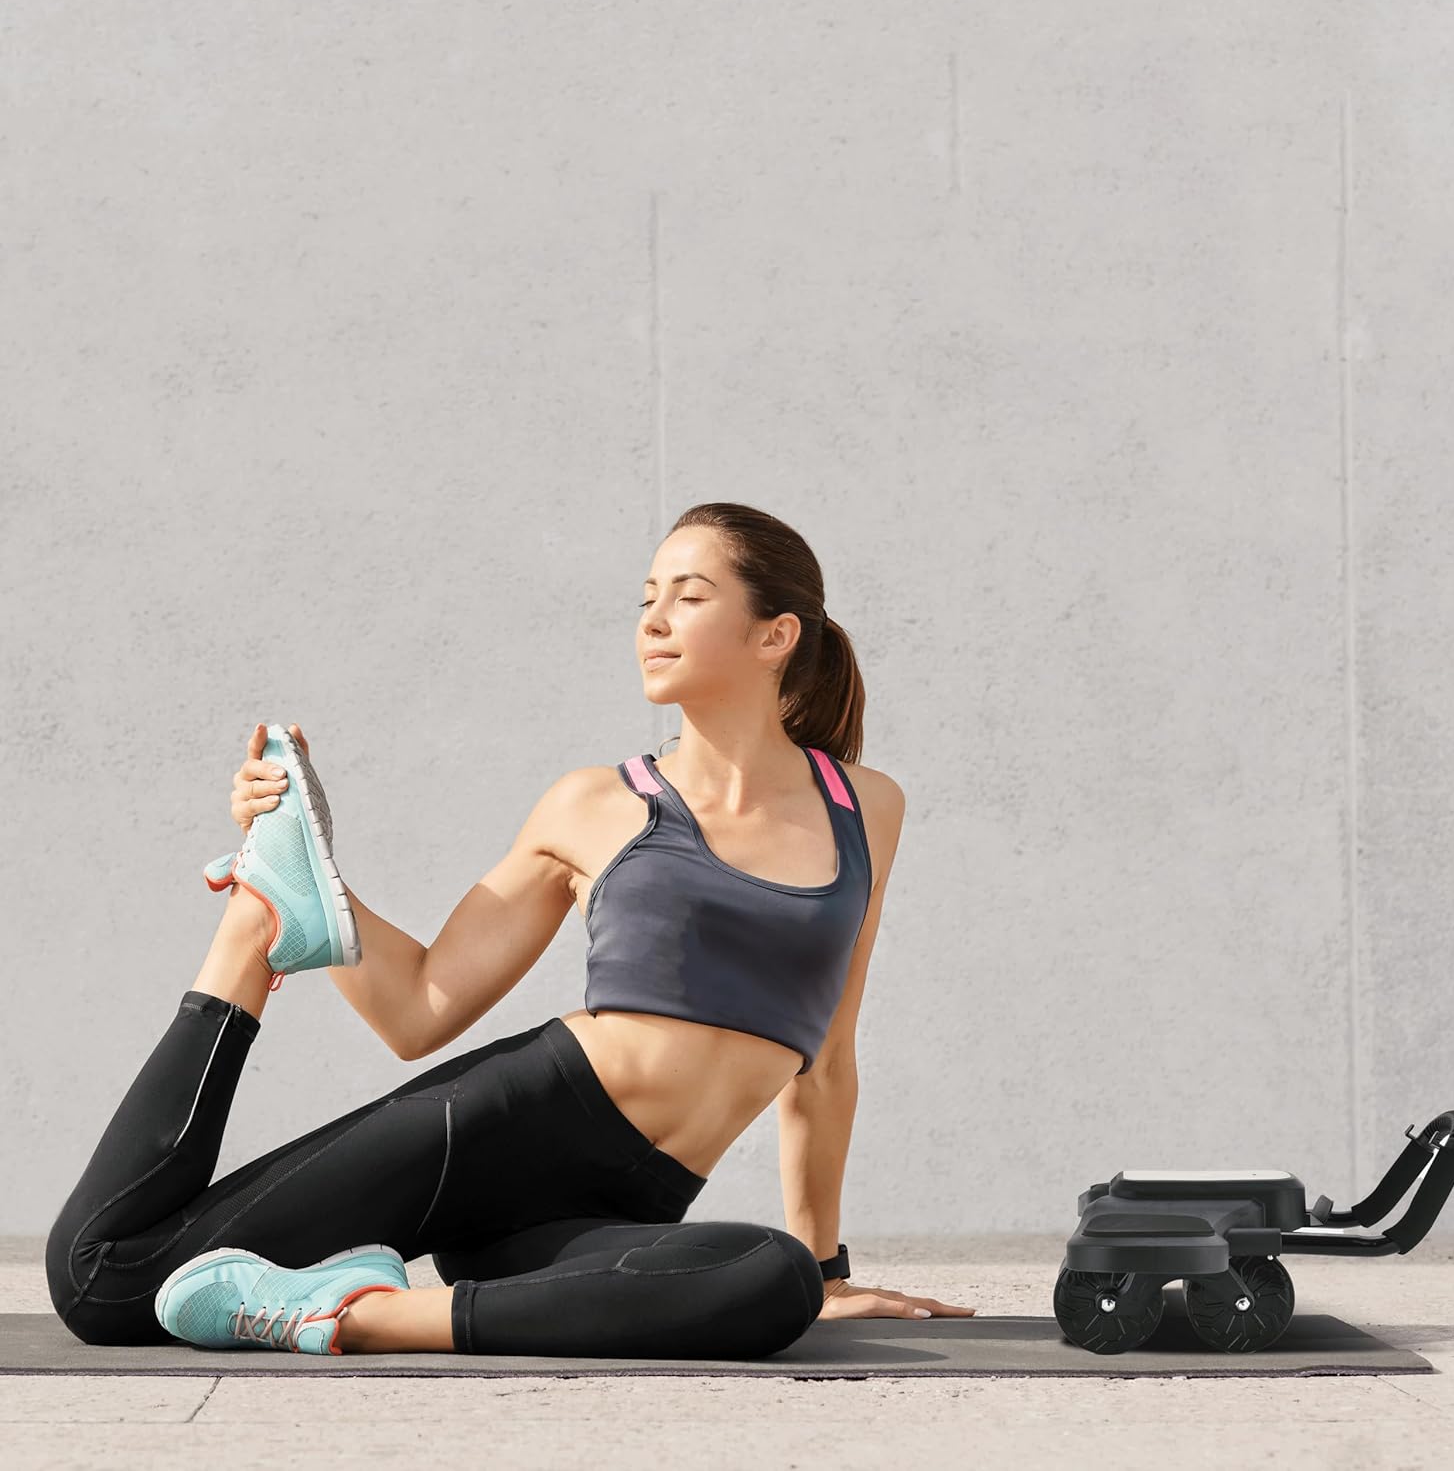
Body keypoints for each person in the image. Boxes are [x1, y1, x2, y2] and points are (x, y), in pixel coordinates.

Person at [45, 501, 972, 1359]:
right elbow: (419, 1010)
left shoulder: (865, 808)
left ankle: (359, 1313)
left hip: (625, 1204)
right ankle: (260, 917)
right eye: (647, 598)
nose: (652, 620)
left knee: (772, 1284)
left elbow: (829, 1057)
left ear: (777, 635)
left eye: (689, 598)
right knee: (101, 1283)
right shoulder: (597, 804)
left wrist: (825, 1269)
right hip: (508, 1126)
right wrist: (307, 878)